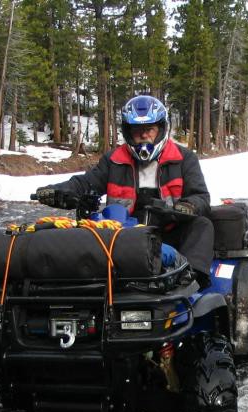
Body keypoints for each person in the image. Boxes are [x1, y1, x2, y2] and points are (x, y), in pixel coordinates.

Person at [34, 94, 214, 289]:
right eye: (138, 130)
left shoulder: (184, 158)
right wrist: (59, 191)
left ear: (161, 129)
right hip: (124, 235)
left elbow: (201, 196)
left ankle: (192, 280)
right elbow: (85, 183)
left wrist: (188, 206)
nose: (144, 136)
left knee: (203, 224)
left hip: (170, 229)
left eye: (149, 129)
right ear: (128, 132)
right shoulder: (113, 160)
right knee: (82, 231)